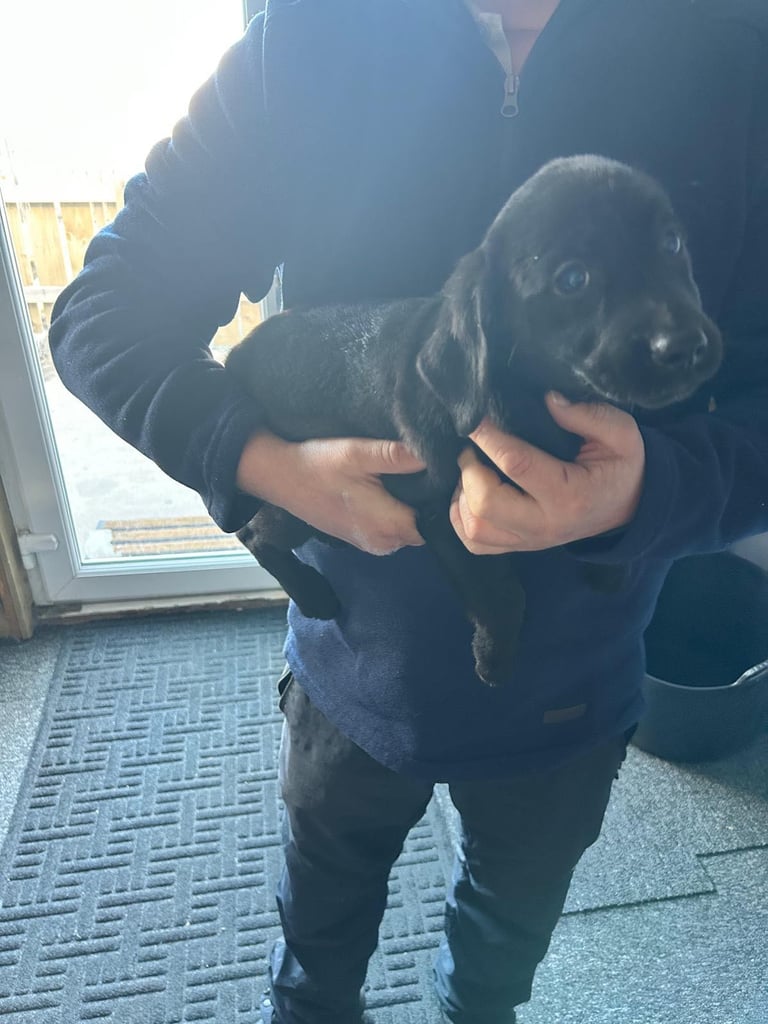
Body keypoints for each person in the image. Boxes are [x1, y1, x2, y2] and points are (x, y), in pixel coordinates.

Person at [48, 1, 768, 1021]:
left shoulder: (736, 55)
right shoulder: (309, 38)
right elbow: (102, 309)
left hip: (573, 687)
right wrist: (264, 465)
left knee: (497, 955)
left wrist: (653, 488)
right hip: (355, 671)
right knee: (319, 940)